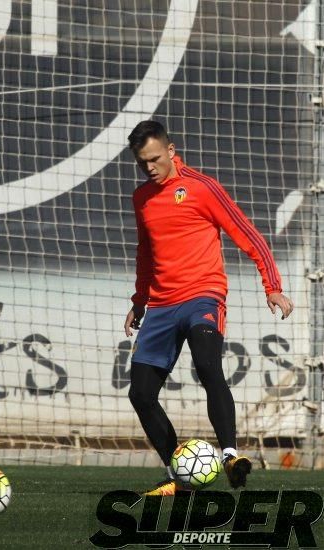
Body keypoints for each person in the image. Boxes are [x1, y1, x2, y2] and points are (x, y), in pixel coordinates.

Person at [124, 120, 293, 496]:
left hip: (203, 295)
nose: (149, 167)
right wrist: (139, 301)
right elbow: (146, 253)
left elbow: (246, 233)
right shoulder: (142, 198)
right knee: (140, 394)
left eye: (154, 158)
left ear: (170, 151)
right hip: (162, 306)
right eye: (141, 162)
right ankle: (179, 476)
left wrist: (273, 286)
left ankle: (231, 456)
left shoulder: (201, 187)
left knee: (206, 363)